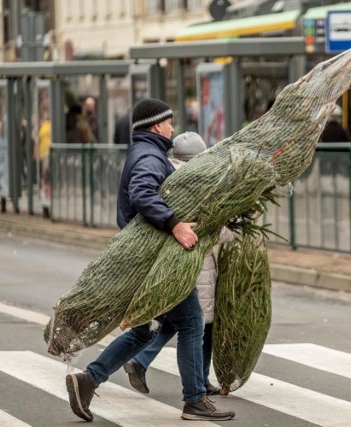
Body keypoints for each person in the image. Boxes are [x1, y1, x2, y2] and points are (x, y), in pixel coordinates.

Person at [65, 99, 236, 422]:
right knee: (191, 322)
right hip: (151, 260)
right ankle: (194, 401)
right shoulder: (149, 155)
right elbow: (142, 192)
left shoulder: (147, 152)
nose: (173, 128)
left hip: (142, 259)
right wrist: (175, 224)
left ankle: (87, 381)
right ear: (157, 126)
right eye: (169, 123)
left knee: (146, 330)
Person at [122, 131, 235, 397]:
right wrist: (235, 232)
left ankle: (194, 379)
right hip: (195, 264)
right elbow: (208, 227)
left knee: (181, 322)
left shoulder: (169, 178)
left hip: (175, 263)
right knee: (200, 323)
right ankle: (193, 386)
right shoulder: (195, 184)